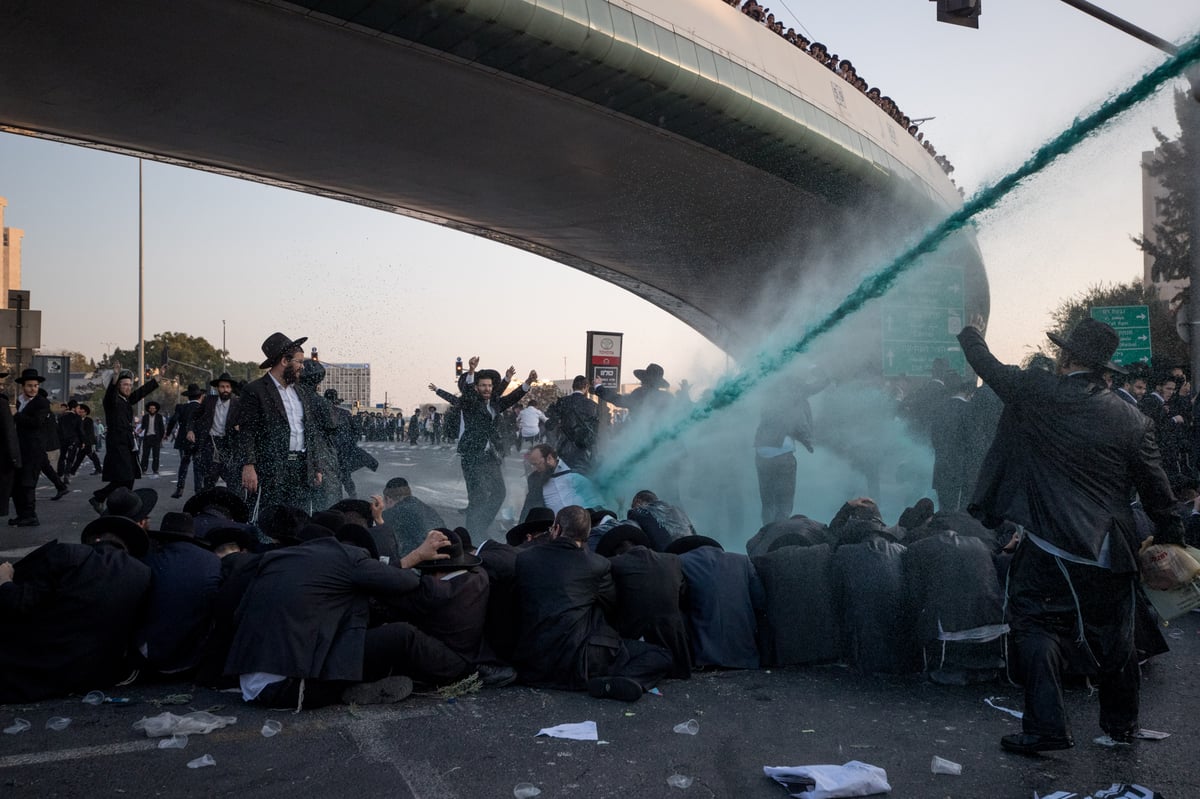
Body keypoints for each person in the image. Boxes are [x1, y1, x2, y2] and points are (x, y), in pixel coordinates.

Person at [959, 316, 1183, 754]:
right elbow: (1158, 491)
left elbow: (987, 364)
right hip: (1109, 549)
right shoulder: (1133, 419)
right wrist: (1171, 538)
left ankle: (1046, 728)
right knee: (1118, 640)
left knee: (1037, 627)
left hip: (1049, 544)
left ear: (1066, 356)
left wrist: (969, 330)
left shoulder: (1039, 391)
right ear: (1105, 369)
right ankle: (1121, 727)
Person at [512, 505, 672, 701]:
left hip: (532, 666)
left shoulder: (525, 559)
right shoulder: (597, 565)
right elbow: (611, 605)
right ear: (587, 534)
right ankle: (615, 682)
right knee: (661, 655)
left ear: (557, 529)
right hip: (578, 667)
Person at [0, 515, 152, 703]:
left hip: (34, 669)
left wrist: (4, 581)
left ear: (96, 539)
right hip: (95, 675)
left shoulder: (68, 554)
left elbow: (19, 602)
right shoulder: (142, 573)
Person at [237, 332, 328, 515]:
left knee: (298, 518)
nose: (302, 367)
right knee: (268, 519)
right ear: (285, 362)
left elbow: (308, 431)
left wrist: (316, 466)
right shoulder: (255, 390)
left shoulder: (301, 392)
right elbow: (247, 431)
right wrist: (249, 466)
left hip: (302, 468)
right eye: (299, 362)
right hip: (271, 469)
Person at [457, 356, 535, 537]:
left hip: (489, 456)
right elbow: (468, 392)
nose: (487, 389)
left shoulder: (494, 403)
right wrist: (470, 371)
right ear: (477, 387)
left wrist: (528, 382)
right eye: (483, 385)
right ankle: (472, 535)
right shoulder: (470, 403)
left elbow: (512, 397)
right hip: (472, 455)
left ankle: (479, 527)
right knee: (477, 498)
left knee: (499, 493)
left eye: (489, 386)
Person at [753, 367, 827, 525]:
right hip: (782, 453)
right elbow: (798, 423)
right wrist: (808, 443)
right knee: (784, 504)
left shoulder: (770, 391)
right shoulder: (793, 393)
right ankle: (778, 538)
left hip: (762, 451)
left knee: (767, 502)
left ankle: (765, 537)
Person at [91, 362, 158, 513]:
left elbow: (140, 393)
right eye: (124, 384)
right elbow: (110, 394)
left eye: (129, 384)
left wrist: (156, 380)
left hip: (128, 444)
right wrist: (115, 376)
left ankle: (108, 500)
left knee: (127, 477)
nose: (128, 387)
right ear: (117, 386)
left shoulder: (126, 400)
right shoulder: (112, 401)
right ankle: (110, 501)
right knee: (125, 477)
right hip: (117, 444)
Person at [11, 368, 59, 526]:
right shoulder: (19, 401)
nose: (33, 388)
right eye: (30, 385)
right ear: (23, 386)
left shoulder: (41, 402)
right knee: (17, 484)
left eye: (36, 386)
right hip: (19, 449)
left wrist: (16, 415)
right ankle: (21, 514)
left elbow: (36, 423)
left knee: (28, 483)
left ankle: (31, 516)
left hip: (34, 449)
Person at [191, 372, 242, 491]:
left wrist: (240, 426)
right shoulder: (209, 401)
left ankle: (231, 507)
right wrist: (190, 430)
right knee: (209, 478)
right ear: (218, 388)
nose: (225, 390)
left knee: (231, 479)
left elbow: (247, 420)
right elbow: (194, 416)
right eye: (222, 387)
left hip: (228, 444)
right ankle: (207, 505)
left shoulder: (238, 403)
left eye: (228, 387)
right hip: (211, 443)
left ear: (231, 389)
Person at [523, 444, 602, 517]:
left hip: (585, 522)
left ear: (549, 458)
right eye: (533, 465)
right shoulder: (536, 480)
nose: (535, 469)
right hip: (556, 527)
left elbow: (595, 499)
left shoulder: (574, 471)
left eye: (537, 464)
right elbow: (529, 507)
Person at [545, 376, 599, 474]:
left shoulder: (563, 401)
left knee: (564, 475)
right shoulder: (592, 405)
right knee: (582, 475)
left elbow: (550, 425)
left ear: (573, 386)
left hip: (564, 446)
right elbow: (595, 429)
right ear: (586, 386)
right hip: (583, 447)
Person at [380, 477, 445, 556]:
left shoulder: (391, 514)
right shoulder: (427, 509)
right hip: (442, 556)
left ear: (388, 499)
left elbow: (379, 537)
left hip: (421, 562)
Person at [166, 383, 205, 498]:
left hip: (184, 441)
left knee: (184, 464)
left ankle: (180, 488)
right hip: (199, 441)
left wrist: (167, 433)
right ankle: (198, 491)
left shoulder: (181, 407)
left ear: (188, 397)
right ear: (200, 396)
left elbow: (173, 420)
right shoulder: (202, 408)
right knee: (198, 466)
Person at [70, 403, 102, 476]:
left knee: (92, 456)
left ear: (86, 412)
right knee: (80, 457)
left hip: (88, 442)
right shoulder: (78, 420)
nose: (81, 413)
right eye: (80, 411)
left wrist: (85, 442)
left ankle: (98, 469)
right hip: (82, 442)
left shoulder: (89, 420)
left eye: (82, 412)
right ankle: (72, 471)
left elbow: (88, 432)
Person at [139, 400, 166, 475]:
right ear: (148, 409)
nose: (152, 409)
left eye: (153, 408)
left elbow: (162, 428)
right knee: (145, 455)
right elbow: (143, 426)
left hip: (156, 438)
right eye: (150, 408)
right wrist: (139, 431)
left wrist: (161, 438)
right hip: (147, 438)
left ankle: (155, 470)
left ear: (156, 409)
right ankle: (143, 469)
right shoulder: (145, 417)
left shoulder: (159, 417)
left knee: (156, 455)